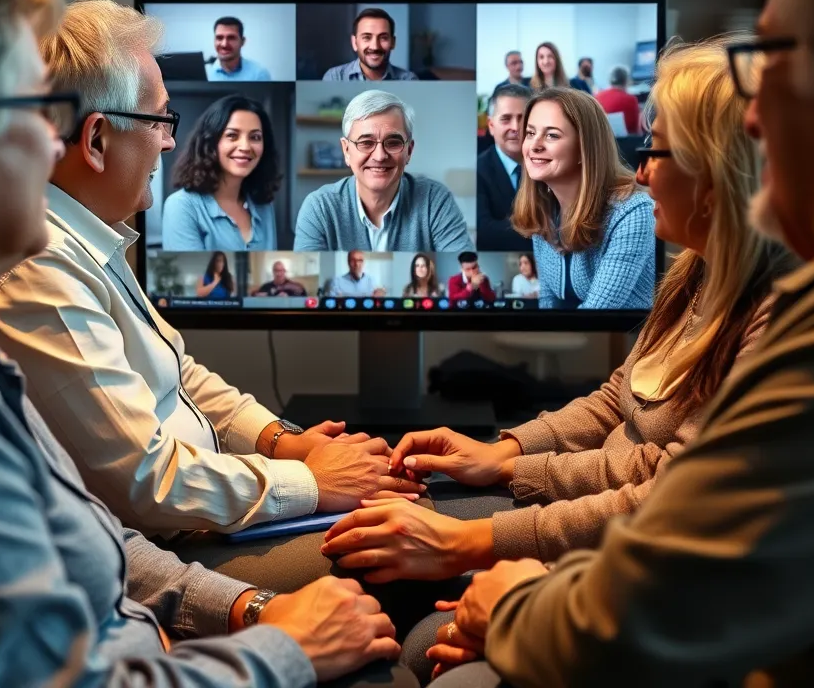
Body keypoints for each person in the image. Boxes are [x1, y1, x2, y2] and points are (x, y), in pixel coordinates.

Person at [0, 0, 409, 687]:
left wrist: (240, 609)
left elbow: (102, 539)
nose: (50, 144)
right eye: (35, 111)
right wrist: (277, 645)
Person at [429, 0, 814, 688]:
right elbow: (624, 402)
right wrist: (506, 455)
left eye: (766, 61)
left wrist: (506, 588)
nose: (752, 117)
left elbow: (640, 606)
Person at [324, 36, 787, 681]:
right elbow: (616, 403)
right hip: (616, 513)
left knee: (422, 631)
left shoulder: (774, 310)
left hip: (650, 562)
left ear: (719, 170)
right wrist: (503, 454)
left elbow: (665, 485)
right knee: (385, 553)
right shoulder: (694, 274)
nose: (644, 172)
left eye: (656, 150)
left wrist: (480, 541)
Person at [0, 0, 422, 541]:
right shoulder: (34, 269)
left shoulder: (83, 232)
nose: (169, 140)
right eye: (160, 118)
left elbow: (176, 375)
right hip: (185, 541)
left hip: (220, 500)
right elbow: (148, 483)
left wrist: (283, 440)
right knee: (411, 534)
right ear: (95, 140)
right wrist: (309, 479)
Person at [512, 87, 654, 309]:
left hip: (625, 341)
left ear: (583, 149)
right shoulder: (544, 210)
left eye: (552, 135)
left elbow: (596, 316)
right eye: (530, 133)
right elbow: (548, 303)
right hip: (575, 339)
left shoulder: (633, 211)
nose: (535, 145)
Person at [294, 90, 472, 252]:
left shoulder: (435, 200)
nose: (379, 156)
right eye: (366, 143)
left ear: (408, 151)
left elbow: (462, 262)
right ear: (346, 151)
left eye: (393, 143)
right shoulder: (319, 207)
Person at [162, 95, 280, 251]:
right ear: (210, 142)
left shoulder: (264, 205)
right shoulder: (182, 206)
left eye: (255, 137)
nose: (245, 146)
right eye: (232, 135)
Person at [477, 83, 533, 251]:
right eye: (506, 119)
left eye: (522, 118)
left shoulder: (546, 163)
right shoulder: (477, 172)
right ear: (491, 125)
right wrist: (543, 230)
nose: (515, 127)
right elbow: (485, 232)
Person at [323, 8, 418, 81]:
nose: (375, 46)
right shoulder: (335, 77)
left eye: (383, 38)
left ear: (393, 42)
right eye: (367, 37)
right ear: (354, 43)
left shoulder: (408, 80)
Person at [208, 16, 272, 81]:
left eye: (231, 38)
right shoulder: (206, 74)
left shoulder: (259, 74)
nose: (224, 44)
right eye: (219, 38)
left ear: (242, 41)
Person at [595, 62, 642, 135]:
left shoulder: (598, 96)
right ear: (626, 81)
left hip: (603, 139)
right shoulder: (631, 99)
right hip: (625, 142)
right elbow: (635, 130)